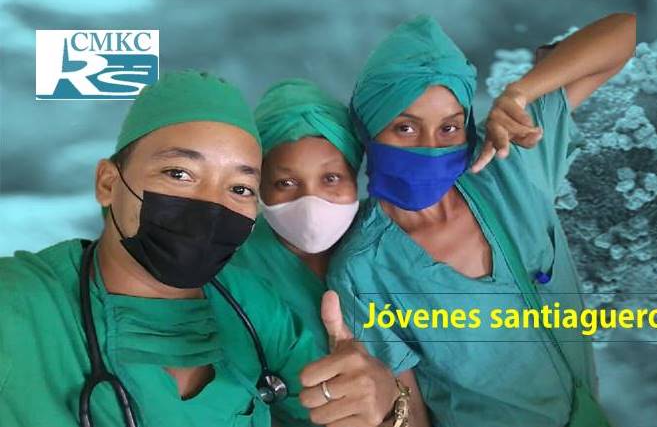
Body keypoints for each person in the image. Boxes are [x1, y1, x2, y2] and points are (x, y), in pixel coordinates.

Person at [0, 71, 398, 427]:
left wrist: (384, 406)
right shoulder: (21, 304)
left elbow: (341, 409)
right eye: (180, 174)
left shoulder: (253, 309)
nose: (212, 206)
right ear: (108, 183)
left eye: (239, 188)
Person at [327, 13, 636, 427]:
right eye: (404, 128)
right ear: (368, 130)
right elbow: (410, 411)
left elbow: (624, 33)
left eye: (449, 128)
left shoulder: (511, 164)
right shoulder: (364, 269)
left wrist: (522, 93)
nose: (430, 147)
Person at [227, 78, 428, 427]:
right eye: (285, 183)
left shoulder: (385, 244)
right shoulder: (233, 271)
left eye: (331, 178)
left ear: (355, 176)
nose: (311, 202)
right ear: (259, 187)